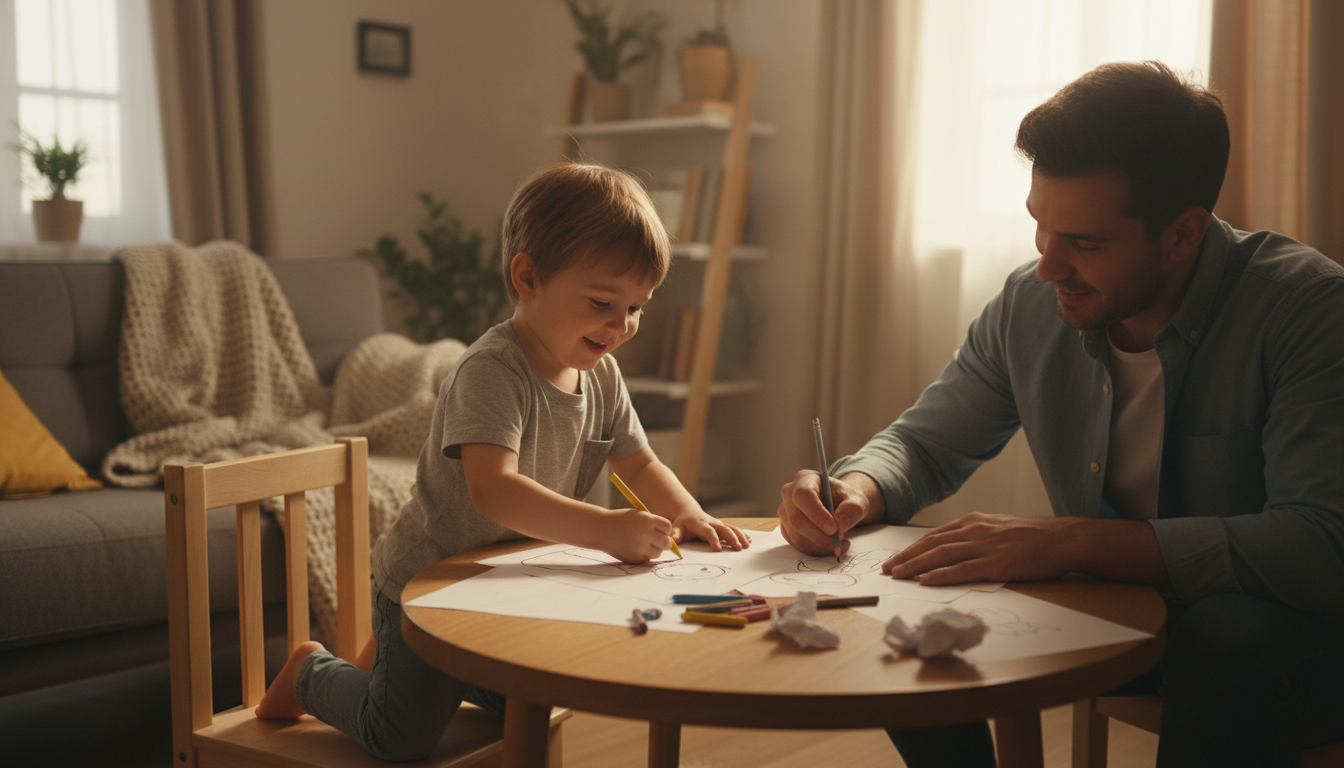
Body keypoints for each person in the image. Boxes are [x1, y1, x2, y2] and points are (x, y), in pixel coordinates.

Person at [778, 61, 1344, 768]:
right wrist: (855, 490)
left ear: (1183, 234)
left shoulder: (1309, 312)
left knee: (1229, 638)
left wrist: (1072, 542)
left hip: (1294, 640)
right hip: (1120, 611)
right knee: (898, 583)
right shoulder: (1030, 304)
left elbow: (1323, 545)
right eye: (1041, 228)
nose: (1048, 268)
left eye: (1085, 243)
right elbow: (922, 446)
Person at [255, 162, 750, 760]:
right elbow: (495, 491)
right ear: (528, 277)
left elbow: (639, 465)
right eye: (602, 302)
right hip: (432, 585)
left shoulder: (604, 374)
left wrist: (690, 513)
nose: (622, 326)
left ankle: (415, 675)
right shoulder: (492, 371)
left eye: (638, 307)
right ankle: (311, 670)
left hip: (513, 586)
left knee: (542, 695)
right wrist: (605, 531)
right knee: (401, 738)